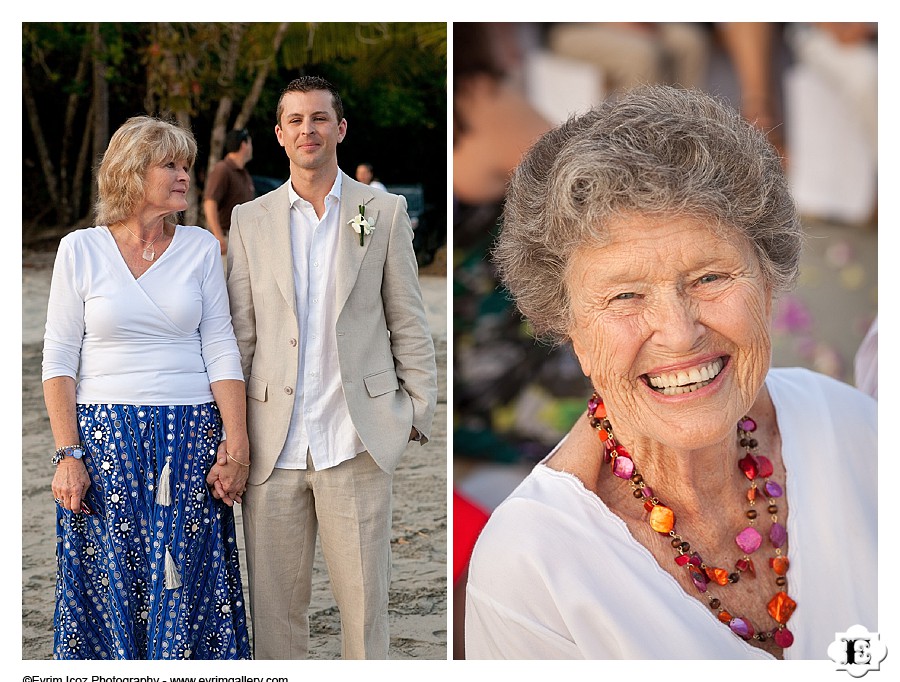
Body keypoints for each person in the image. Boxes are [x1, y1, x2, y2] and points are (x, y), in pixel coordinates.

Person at [465, 86, 877, 659]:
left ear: (769, 279)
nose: (679, 333)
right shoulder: (532, 568)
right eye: (626, 295)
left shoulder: (856, 429)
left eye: (709, 278)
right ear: (570, 330)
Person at [224, 75, 438, 660]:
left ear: (340, 129)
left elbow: (408, 319)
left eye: (319, 118)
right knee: (274, 617)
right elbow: (240, 334)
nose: (307, 129)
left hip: (357, 441)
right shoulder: (251, 221)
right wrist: (233, 433)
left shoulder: (382, 211)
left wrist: (416, 407)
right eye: (294, 120)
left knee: (365, 615)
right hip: (273, 448)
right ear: (279, 135)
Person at [42, 116, 252, 659]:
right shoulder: (80, 250)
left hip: (189, 433)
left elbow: (221, 348)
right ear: (132, 174)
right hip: (105, 439)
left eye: (187, 165)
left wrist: (236, 443)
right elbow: (59, 360)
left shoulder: (202, 247)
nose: (185, 176)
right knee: (111, 573)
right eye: (171, 166)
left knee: (186, 574)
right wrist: (67, 455)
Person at [203, 128, 255, 255]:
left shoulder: (243, 173)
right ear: (244, 145)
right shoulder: (223, 169)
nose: (251, 148)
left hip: (242, 242)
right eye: (250, 143)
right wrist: (219, 237)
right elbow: (209, 202)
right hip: (226, 241)